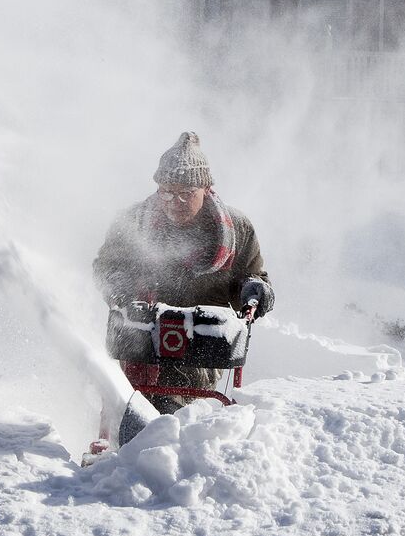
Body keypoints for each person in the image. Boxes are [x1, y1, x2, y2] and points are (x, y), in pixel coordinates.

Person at [94, 131, 273, 413]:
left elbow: (251, 279)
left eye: (186, 194)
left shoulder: (236, 230)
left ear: (205, 188)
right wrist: (123, 291)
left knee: (171, 405)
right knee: (132, 403)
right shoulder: (132, 222)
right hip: (140, 334)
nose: (174, 201)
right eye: (166, 191)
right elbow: (107, 267)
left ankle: (159, 440)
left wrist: (255, 293)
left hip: (201, 345)